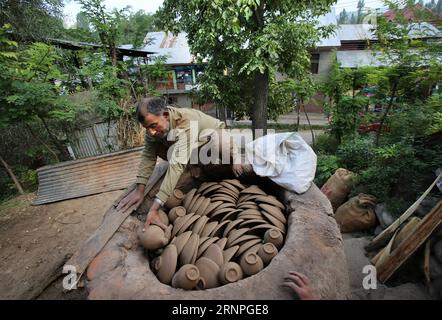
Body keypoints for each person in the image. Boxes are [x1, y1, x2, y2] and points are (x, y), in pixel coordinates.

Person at [117, 97, 248, 229]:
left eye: (153, 125)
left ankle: (234, 157)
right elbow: (148, 156)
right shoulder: (153, 130)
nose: (150, 131)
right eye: (146, 128)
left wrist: (155, 208)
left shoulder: (187, 121)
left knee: (221, 145)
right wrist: (140, 190)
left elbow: (176, 165)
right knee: (164, 148)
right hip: (194, 146)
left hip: (212, 138)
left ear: (166, 115)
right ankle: (194, 163)